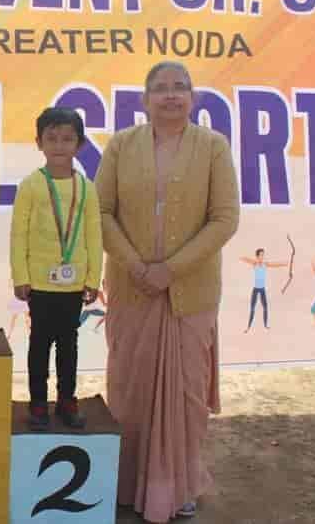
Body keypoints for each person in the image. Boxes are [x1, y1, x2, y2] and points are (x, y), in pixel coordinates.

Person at [96, 61, 239, 522]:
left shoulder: (213, 147)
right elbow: (101, 211)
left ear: (192, 98)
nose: (171, 95)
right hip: (131, 288)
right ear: (145, 99)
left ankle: (178, 489)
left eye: (180, 87)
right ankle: (125, 484)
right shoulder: (121, 145)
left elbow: (225, 219)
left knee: (186, 394)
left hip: (190, 294)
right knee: (129, 388)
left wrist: (171, 270)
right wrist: (138, 266)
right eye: (161, 88)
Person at [10, 107, 103, 430]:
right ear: (39, 143)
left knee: (68, 344)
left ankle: (66, 400)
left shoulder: (87, 188)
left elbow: (94, 235)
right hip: (39, 283)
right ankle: (38, 403)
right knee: (39, 344)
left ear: (80, 145)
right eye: (52, 138)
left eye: (67, 139)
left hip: (74, 283)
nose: (59, 146)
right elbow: (18, 234)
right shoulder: (31, 185)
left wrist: (93, 278)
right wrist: (20, 276)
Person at [239, 248, 287, 332]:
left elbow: (275, 264)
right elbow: (245, 259)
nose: (262, 256)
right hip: (255, 289)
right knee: (252, 308)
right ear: (257, 256)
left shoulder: (265, 264)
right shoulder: (255, 263)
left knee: (265, 307)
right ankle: (248, 327)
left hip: (262, 290)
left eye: (263, 255)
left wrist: (284, 264)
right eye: (261, 255)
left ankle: (265, 325)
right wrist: (243, 258)